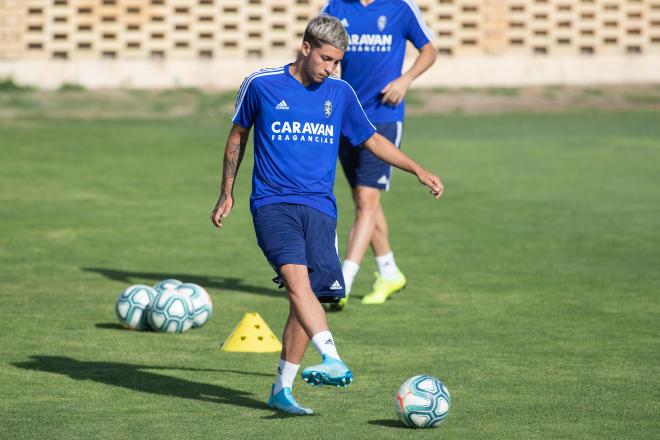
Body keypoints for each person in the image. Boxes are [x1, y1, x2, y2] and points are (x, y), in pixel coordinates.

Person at [210, 15, 444, 416]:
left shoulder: (340, 92)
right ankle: (333, 357)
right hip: (273, 204)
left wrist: (417, 169)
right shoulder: (261, 84)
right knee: (297, 281)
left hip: (321, 209)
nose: (331, 68)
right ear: (305, 48)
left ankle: (282, 389)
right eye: (326, 59)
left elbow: (371, 139)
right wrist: (227, 192)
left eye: (337, 61)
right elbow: (238, 136)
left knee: (310, 298)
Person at [321, 0, 437, 308]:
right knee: (366, 202)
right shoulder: (335, 7)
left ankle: (342, 282)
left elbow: (430, 50)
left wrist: (405, 79)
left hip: (383, 118)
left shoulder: (400, 7)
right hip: (346, 117)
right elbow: (318, 51)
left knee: (365, 201)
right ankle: (389, 271)